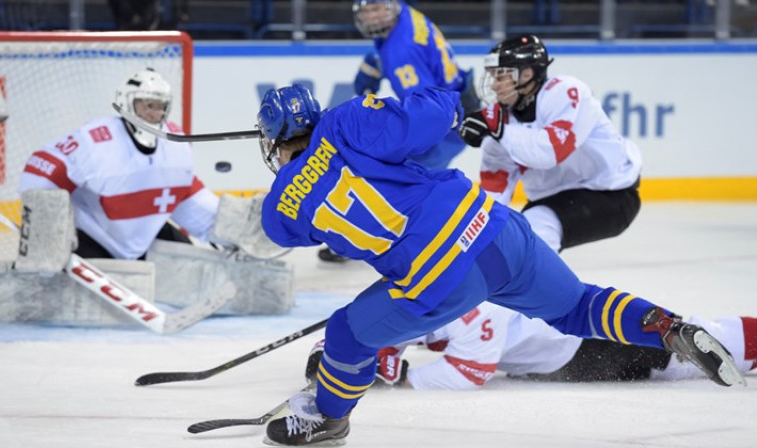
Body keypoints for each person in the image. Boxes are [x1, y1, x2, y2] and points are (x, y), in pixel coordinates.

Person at [254, 84, 744, 446]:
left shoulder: (280, 206)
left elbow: (287, 231)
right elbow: (437, 112)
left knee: (347, 333)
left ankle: (329, 418)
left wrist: (306, 170)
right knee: (575, 306)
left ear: (274, 142)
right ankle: (663, 326)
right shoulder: (346, 122)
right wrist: (410, 102)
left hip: (440, 277)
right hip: (493, 227)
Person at [317, 0, 482, 263]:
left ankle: (378, 242)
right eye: (367, 11)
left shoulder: (400, 51)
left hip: (446, 125)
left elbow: (426, 110)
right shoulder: (404, 15)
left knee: (382, 179)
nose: (372, 16)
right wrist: (376, 59)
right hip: (458, 106)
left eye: (377, 9)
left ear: (390, 8)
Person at [458, 35, 642, 253]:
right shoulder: (501, 123)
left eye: (500, 76)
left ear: (526, 74)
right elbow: (495, 189)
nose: (495, 86)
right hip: (551, 201)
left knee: (535, 230)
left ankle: (541, 285)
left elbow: (550, 152)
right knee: (517, 237)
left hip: (610, 195)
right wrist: (469, 241)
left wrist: (499, 131)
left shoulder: (565, 93)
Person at [305, 302, 757, 389]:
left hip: (577, 347)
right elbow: (386, 323)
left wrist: (406, 378)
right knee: (679, 341)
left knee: (676, 353)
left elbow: (469, 374)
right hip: (563, 338)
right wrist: (334, 353)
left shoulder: (468, 316)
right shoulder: (429, 298)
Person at [19, 68, 219, 260]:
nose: (154, 114)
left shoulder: (176, 145)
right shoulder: (95, 142)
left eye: (160, 106)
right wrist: (45, 234)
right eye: (147, 105)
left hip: (141, 240)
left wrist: (225, 227)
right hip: (93, 238)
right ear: (126, 103)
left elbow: (186, 196)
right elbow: (40, 173)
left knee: (190, 267)